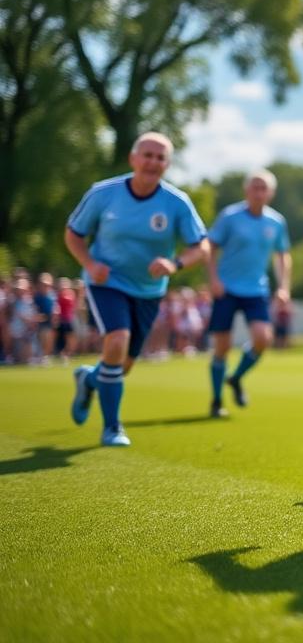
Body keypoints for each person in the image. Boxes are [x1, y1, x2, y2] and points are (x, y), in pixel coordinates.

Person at [65, 132, 209, 445]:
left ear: (167, 165)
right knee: (116, 341)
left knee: (124, 365)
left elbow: (202, 247)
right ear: (133, 158)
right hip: (107, 282)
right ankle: (112, 427)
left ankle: (89, 379)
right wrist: (90, 265)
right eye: (147, 154)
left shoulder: (176, 202)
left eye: (160, 158)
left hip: (149, 290)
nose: (153, 162)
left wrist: (175, 264)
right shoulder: (103, 194)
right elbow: (74, 234)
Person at [204, 169, 292, 417]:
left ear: (271, 193)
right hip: (226, 289)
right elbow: (210, 247)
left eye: (264, 188)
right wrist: (213, 279)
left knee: (263, 339)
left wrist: (284, 287)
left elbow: (283, 255)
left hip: (256, 289)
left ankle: (236, 377)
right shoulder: (230, 217)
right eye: (255, 187)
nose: (259, 192)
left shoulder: (275, 222)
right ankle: (216, 400)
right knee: (221, 347)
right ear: (246, 190)